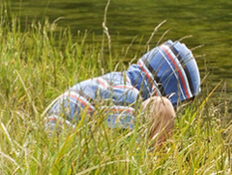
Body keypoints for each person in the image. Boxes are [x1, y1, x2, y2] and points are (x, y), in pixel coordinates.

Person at [43, 40, 201, 149]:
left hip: (47, 146)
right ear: (166, 87)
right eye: (178, 102)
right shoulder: (128, 98)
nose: (177, 109)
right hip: (60, 150)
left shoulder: (116, 83)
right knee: (162, 108)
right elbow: (126, 160)